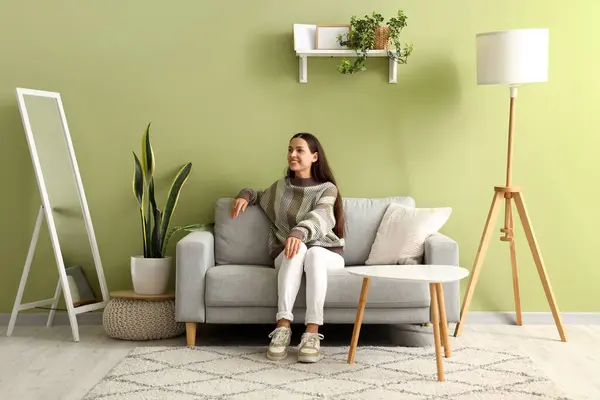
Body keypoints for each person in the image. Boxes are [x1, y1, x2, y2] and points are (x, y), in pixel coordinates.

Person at [230, 132, 345, 363]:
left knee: (311, 252)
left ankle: (312, 333)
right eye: (290, 149)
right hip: (290, 254)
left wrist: (298, 232)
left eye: (299, 150)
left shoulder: (327, 189)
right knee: (299, 250)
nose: (292, 154)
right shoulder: (281, 188)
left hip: (325, 253)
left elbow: (322, 215)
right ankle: (283, 327)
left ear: (314, 156)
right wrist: (244, 195)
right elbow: (259, 195)